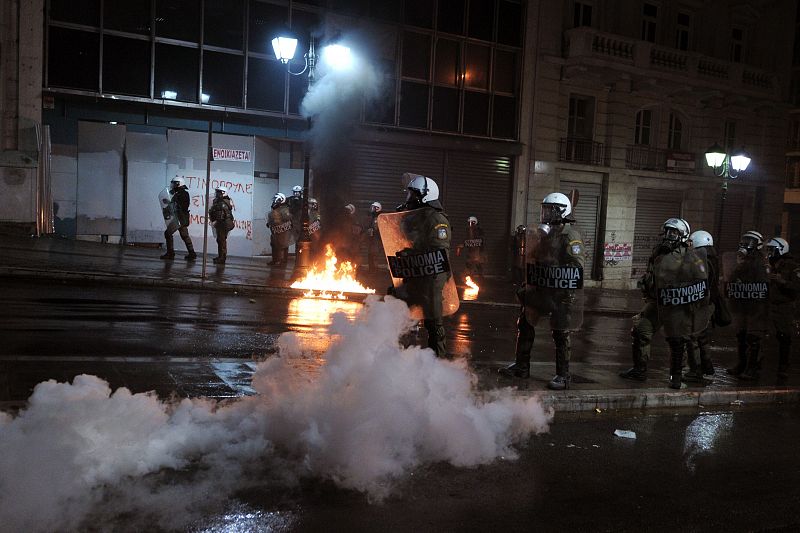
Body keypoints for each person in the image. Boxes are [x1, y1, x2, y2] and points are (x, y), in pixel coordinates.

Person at [498, 192, 585, 390]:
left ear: (562, 212)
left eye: (551, 210)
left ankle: (563, 376)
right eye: (545, 210)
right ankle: (522, 366)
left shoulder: (570, 236)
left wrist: (553, 269)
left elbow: (576, 266)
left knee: (560, 332)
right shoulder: (547, 233)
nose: (546, 214)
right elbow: (534, 257)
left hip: (560, 293)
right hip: (542, 289)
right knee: (525, 323)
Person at [620, 218, 711, 389]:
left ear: (683, 236)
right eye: (668, 232)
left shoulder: (690, 256)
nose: (669, 236)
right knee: (641, 330)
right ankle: (639, 369)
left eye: (674, 233)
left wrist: (691, 302)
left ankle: (676, 377)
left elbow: (700, 282)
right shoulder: (658, 252)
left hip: (676, 305)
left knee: (677, 340)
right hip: (657, 302)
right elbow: (651, 274)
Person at [393, 174, 452, 358]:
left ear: (425, 196)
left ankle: (438, 361)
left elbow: (438, 252)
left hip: (433, 275)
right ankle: (404, 356)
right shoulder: (415, 217)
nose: (409, 198)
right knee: (399, 305)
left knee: (433, 320)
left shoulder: (437, 220)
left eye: (412, 194)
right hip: (416, 271)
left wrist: (411, 255)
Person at [725, 230, 770, 380]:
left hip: (756, 307)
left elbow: (762, 285)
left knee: (753, 337)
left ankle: (752, 368)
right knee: (741, 335)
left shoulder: (760, 264)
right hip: (742, 305)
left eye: (749, 243)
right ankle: (741, 364)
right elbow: (732, 278)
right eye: (744, 242)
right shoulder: (743, 262)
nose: (745, 246)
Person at [683, 230, 722, 382]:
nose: (689, 246)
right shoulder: (712, 259)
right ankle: (707, 367)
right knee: (702, 337)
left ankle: (696, 370)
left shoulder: (701, 261)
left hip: (699, 304)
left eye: (691, 243)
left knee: (693, 337)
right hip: (708, 303)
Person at [765, 237, 800, 378]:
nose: (769, 253)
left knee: (785, 337)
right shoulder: (771, 264)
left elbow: (797, 286)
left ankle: (783, 367)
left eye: (772, 250)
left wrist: (783, 282)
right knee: (762, 335)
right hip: (770, 305)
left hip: (785, 307)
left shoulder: (792, 266)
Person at [160, 176, 196, 261]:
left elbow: (180, 206)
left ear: (178, 184)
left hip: (179, 218)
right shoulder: (179, 193)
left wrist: (169, 204)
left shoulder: (182, 194)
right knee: (184, 235)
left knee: (168, 233)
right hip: (181, 218)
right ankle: (192, 253)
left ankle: (170, 253)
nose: (173, 185)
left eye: (174, 183)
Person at [208, 186, 235, 264]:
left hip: (222, 224)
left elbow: (221, 215)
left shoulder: (222, 202)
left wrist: (215, 221)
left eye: (218, 192)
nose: (217, 194)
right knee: (220, 240)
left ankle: (222, 258)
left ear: (223, 193)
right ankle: (221, 256)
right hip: (222, 223)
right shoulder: (223, 201)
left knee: (221, 240)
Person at [267, 192, 293, 267]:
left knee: (282, 245)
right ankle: (275, 260)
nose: (274, 201)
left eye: (276, 199)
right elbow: (273, 218)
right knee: (274, 244)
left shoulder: (285, 209)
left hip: (283, 231)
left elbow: (288, 218)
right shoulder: (276, 209)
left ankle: (282, 261)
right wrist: (269, 223)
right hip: (275, 230)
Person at [460, 216, 485, 280]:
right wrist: (463, 244)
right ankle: (471, 278)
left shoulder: (479, 230)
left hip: (478, 251)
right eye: (469, 223)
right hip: (470, 252)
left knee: (479, 265)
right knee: (470, 266)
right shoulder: (468, 230)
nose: (470, 224)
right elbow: (467, 239)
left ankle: (481, 280)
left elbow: (481, 241)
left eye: (472, 223)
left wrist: (467, 243)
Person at [366, 201, 383, 271]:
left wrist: (372, 230)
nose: (371, 209)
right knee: (370, 255)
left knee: (374, 255)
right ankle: (372, 269)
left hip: (376, 240)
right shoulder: (374, 217)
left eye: (373, 207)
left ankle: (374, 270)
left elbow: (377, 229)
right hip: (372, 240)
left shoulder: (378, 218)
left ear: (377, 208)